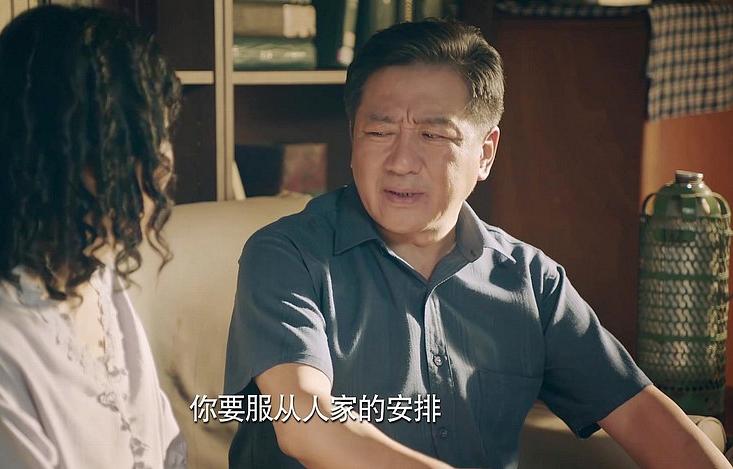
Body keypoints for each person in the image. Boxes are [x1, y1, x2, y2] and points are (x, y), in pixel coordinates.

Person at [224, 18, 730, 469]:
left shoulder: (530, 281)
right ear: (353, 137)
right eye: (378, 132)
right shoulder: (286, 256)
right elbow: (306, 423)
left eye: (432, 136)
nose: (401, 162)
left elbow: (644, 418)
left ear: (485, 153)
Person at [0, 5, 187, 468]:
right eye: (134, 139)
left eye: (161, 135)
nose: (164, 163)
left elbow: (166, 452)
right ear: (54, 153)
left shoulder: (94, 276)